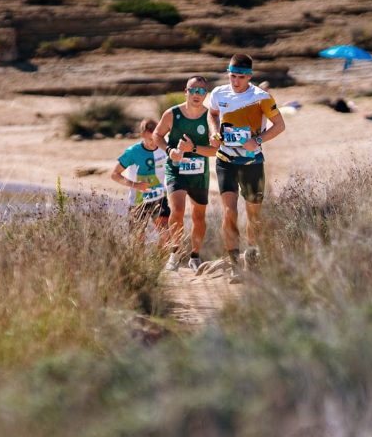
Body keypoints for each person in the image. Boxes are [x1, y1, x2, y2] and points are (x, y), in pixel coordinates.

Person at [205, 54, 285, 283]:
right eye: (232, 76)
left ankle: (252, 260)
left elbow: (280, 125)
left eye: (240, 77)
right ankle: (233, 265)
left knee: (254, 216)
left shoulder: (261, 97)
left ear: (249, 76)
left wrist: (257, 141)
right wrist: (214, 131)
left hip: (252, 163)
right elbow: (212, 114)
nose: (235, 81)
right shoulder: (219, 93)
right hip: (225, 161)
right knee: (230, 212)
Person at [155, 76, 220, 272]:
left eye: (201, 91)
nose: (197, 94)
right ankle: (175, 254)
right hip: (176, 170)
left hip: (199, 174)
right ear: (186, 91)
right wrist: (169, 151)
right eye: (193, 90)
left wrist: (191, 149)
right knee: (177, 210)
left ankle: (195, 256)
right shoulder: (172, 114)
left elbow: (214, 151)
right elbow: (157, 135)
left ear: (206, 95)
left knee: (199, 216)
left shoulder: (210, 117)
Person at [111, 118, 170, 246]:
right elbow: (114, 174)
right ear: (142, 135)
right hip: (137, 201)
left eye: (155, 138)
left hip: (160, 197)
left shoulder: (165, 147)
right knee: (137, 239)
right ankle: (140, 264)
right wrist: (135, 185)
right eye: (149, 139)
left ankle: (161, 263)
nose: (153, 143)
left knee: (165, 233)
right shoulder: (133, 152)